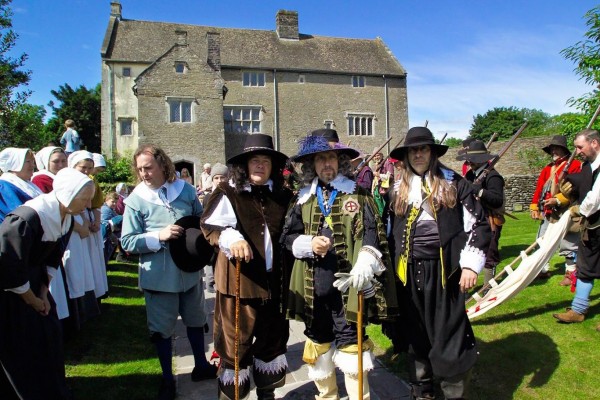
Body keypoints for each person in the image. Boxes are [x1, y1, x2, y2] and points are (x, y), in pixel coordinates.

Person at [281, 135, 398, 400]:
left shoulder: (357, 193)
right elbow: (286, 238)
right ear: (312, 164)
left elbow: (373, 231)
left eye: (331, 158)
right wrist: (308, 243)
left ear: (340, 161)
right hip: (314, 288)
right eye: (320, 159)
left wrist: (367, 258)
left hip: (349, 288)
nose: (326, 164)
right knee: (320, 348)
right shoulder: (303, 198)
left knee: (351, 347)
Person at [388, 127, 491, 399]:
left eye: (423, 149)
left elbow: (479, 225)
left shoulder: (455, 183)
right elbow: (389, 232)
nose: (418, 154)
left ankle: (453, 392)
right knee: (416, 333)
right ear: (407, 156)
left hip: (445, 273)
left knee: (449, 334)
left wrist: (470, 264)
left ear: (432, 153)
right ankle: (423, 389)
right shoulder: (397, 190)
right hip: (408, 273)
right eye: (413, 150)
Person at [200, 134, 293, 400]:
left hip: (274, 284)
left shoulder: (283, 195)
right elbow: (211, 226)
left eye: (266, 160)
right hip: (238, 284)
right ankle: (233, 396)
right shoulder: (228, 191)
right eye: (255, 160)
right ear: (244, 165)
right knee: (234, 348)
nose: (260, 166)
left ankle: (267, 394)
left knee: (272, 343)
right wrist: (232, 237)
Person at [120, 144, 216, 400]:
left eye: (148, 167)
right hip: (159, 278)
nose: (144, 173)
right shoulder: (135, 200)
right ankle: (166, 380)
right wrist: (158, 236)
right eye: (139, 169)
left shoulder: (185, 190)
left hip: (190, 272)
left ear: (163, 165)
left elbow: (201, 221)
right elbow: (127, 241)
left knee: (196, 320)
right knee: (162, 330)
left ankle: (201, 365)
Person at [0, 168, 95, 399]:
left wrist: (43, 293)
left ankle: (52, 389)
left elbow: (54, 257)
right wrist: (31, 299)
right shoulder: (27, 218)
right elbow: (8, 263)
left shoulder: (67, 218)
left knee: (49, 335)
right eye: (85, 198)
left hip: (35, 284)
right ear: (68, 193)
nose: (88, 204)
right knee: (21, 344)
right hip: (10, 292)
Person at [553, 129, 600, 329]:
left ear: (595, 143)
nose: (578, 151)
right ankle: (578, 310)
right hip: (593, 226)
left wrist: (578, 209)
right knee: (586, 266)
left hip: (592, 216)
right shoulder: (589, 166)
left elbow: (595, 198)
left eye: (580, 147)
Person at [529, 135, 582, 283]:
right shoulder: (547, 168)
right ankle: (543, 269)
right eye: (552, 149)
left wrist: (558, 199)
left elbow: (575, 189)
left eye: (556, 148)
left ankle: (570, 273)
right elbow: (539, 188)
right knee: (542, 240)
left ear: (563, 149)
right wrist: (534, 206)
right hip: (548, 210)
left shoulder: (575, 165)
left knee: (568, 242)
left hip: (567, 209)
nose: (553, 151)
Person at [458, 140, 505, 287]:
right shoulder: (471, 175)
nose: (470, 162)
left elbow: (497, 200)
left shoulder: (493, 176)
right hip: (472, 218)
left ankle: (488, 286)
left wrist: (479, 191)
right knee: (466, 251)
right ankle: (464, 288)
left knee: (489, 254)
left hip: (489, 218)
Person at [201, 162, 229, 294]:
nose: (219, 180)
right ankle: (211, 282)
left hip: (228, 235)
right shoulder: (208, 197)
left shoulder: (232, 195)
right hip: (213, 234)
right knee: (212, 260)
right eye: (216, 178)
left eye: (222, 177)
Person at [0, 148, 43, 222]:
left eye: (33, 161)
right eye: (28, 161)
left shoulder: (27, 184)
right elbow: (18, 214)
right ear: (15, 164)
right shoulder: (4, 186)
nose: (33, 165)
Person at [100, 191, 123, 264]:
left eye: (116, 202)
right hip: (106, 237)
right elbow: (105, 224)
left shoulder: (110, 209)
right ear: (107, 200)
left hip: (110, 237)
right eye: (112, 202)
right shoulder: (105, 210)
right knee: (103, 257)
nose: (115, 204)